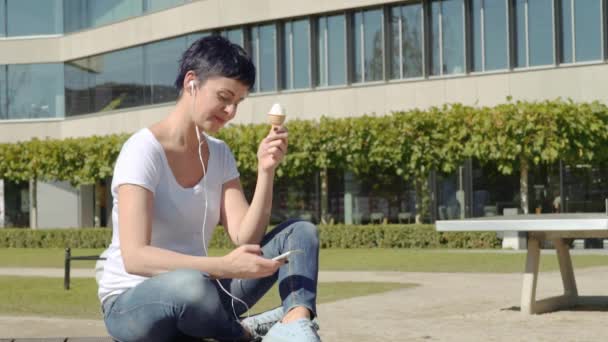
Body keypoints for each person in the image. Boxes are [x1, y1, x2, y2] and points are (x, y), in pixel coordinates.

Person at [97, 35, 320, 342]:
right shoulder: (142, 150)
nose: (230, 111)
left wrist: (266, 171)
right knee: (190, 286)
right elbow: (135, 257)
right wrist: (222, 266)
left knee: (300, 233)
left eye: (237, 103)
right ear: (192, 82)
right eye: (224, 97)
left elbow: (246, 237)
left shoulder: (219, 153)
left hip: (204, 298)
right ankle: (245, 335)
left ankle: (295, 323)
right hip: (133, 304)